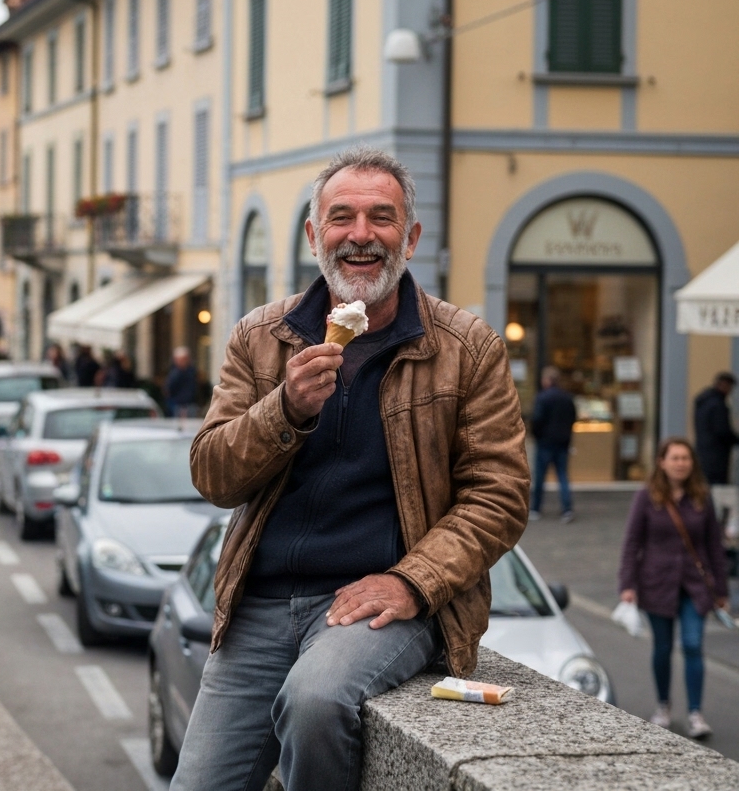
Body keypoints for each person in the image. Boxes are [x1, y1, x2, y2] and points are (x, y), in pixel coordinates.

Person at [177, 146, 529, 791]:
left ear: (412, 237)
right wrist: (284, 408)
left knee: (316, 704)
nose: (360, 236)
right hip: (256, 606)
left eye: (382, 218)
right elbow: (211, 474)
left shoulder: (466, 346)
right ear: (314, 235)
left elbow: (499, 497)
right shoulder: (262, 335)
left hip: (378, 605)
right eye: (341, 218)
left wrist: (411, 583)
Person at [618, 437, 730, 739]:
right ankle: (663, 706)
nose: (681, 463)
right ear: (662, 462)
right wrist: (627, 584)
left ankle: (696, 713)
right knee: (663, 648)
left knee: (693, 645)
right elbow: (632, 543)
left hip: (695, 586)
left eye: (686, 458)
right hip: (657, 583)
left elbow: (715, 547)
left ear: (692, 463)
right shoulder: (646, 497)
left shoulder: (701, 497)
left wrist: (721, 592)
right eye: (675, 457)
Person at [530, 365, 577, 522]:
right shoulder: (567, 397)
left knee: (540, 477)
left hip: (545, 442)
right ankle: (567, 509)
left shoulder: (543, 398)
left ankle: (536, 508)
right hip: (562, 442)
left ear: (548, 380)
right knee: (563, 476)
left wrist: (536, 435)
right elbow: (572, 418)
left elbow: (537, 420)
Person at [694, 372, 738, 485]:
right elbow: (722, 430)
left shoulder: (703, 402)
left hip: (704, 451)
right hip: (717, 456)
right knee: (716, 487)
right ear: (723, 385)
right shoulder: (718, 405)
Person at [163, 346, 198, 418]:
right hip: (178, 405)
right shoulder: (174, 373)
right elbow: (169, 388)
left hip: (190, 404)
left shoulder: (191, 371)